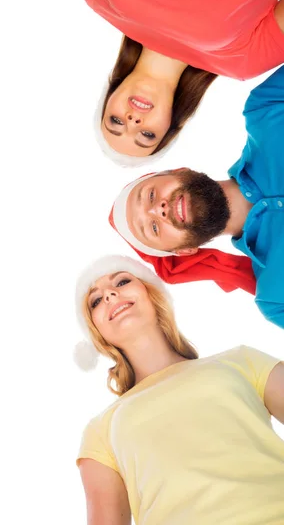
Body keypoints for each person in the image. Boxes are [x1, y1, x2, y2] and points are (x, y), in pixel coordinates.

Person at [74, 254, 284, 524]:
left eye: (122, 281)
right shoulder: (100, 429)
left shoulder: (240, 360)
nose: (110, 294)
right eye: (95, 300)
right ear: (97, 334)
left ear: (152, 293)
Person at [72, 0, 284, 164]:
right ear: (174, 123)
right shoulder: (244, 61)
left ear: (107, 100)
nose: (132, 121)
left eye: (116, 121)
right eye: (147, 135)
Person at [109, 65, 284, 328]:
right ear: (185, 251)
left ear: (180, 171)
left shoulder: (267, 108)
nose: (159, 210)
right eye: (154, 228)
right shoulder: (275, 299)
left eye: (151, 195)